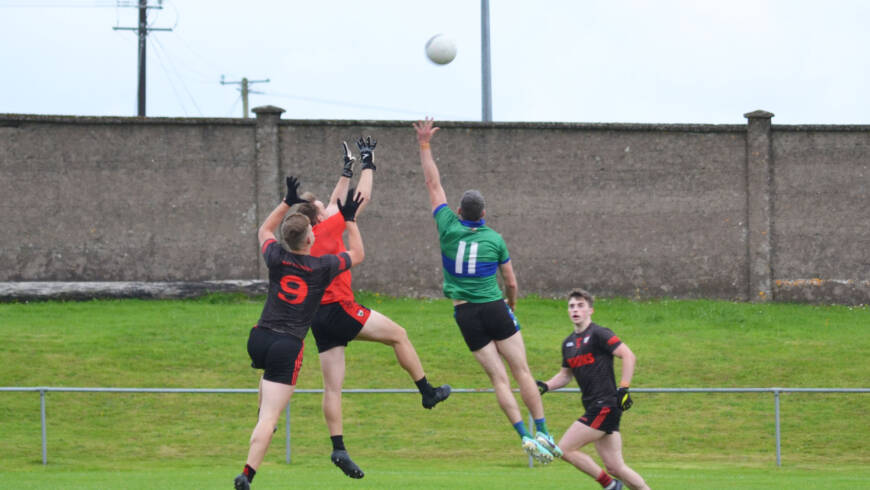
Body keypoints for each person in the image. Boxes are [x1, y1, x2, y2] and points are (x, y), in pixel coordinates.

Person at [294, 138, 450, 479]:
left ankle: (338, 448)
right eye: (322, 205)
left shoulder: (304, 239)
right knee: (399, 336)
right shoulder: (330, 227)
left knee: (332, 388)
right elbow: (357, 201)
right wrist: (369, 164)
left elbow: (335, 201)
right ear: (317, 216)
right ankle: (427, 392)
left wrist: (345, 171)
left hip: (318, 319)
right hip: (342, 310)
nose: (327, 203)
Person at [412, 117, 559, 463]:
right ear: (484, 214)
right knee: (521, 370)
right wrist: (511, 305)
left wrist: (424, 143)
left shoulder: (447, 225)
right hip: (495, 307)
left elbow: (433, 183)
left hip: (465, 313)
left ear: (459, 211)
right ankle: (544, 431)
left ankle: (524, 437)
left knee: (498, 378)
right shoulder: (494, 239)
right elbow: (511, 282)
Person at [233, 176, 365, 490]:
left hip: (259, 338)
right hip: (285, 345)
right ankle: (246, 475)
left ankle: (262, 413)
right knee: (269, 419)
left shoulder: (275, 257)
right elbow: (357, 255)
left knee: (266, 386)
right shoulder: (321, 267)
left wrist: (286, 201)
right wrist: (350, 220)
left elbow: (263, 230)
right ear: (310, 240)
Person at [536, 289, 649, 490]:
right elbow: (565, 375)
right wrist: (546, 385)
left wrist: (624, 388)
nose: (575, 310)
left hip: (604, 405)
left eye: (580, 305)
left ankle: (610, 485)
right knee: (616, 466)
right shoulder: (568, 343)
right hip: (595, 407)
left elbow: (628, 356)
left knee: (564, 449)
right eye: (571, 306)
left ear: (591, 310)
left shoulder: (599, 333)